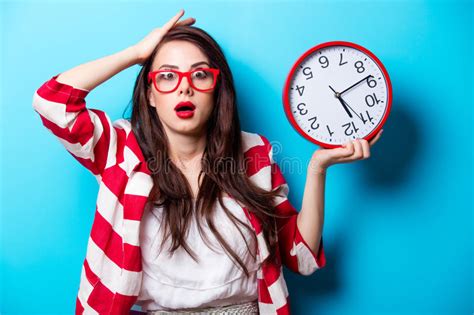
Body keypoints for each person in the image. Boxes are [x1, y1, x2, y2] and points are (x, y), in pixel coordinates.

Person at [32, 9, 383, 315]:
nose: (185, 88)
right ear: (150, 94)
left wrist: (318, 168)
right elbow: (52, 103)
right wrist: (137, 53)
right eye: (167, 76)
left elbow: (302, 258)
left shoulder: (253, 154)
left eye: (199, 74)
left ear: (217, 89)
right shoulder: (122, 150)